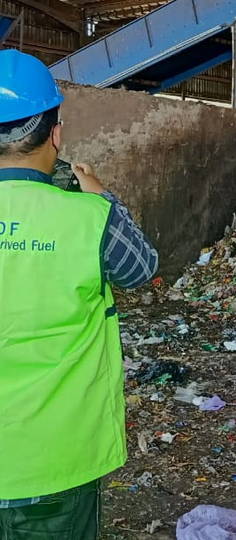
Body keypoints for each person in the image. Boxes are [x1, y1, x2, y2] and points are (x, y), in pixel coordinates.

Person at [0, 49, 158, 539]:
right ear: (56, 133)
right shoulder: (90, 218)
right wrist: (101, 196)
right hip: (55, 463)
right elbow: (141, 269)